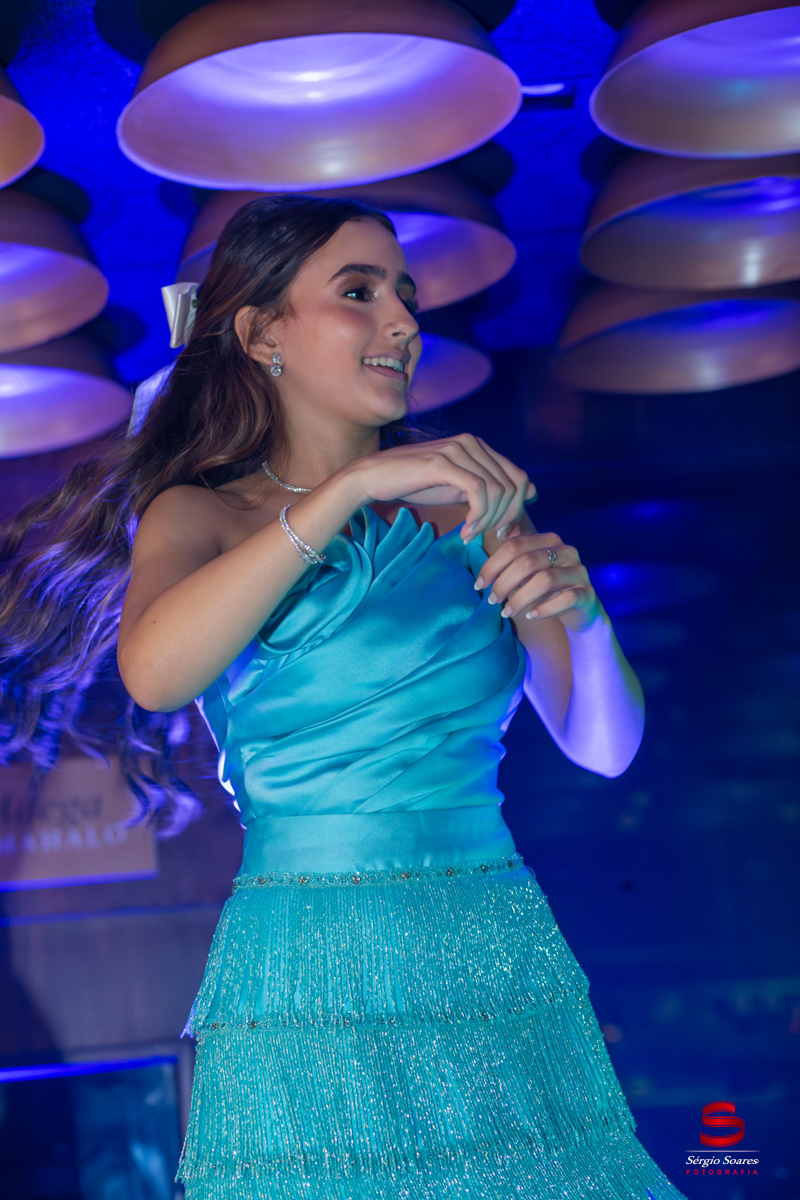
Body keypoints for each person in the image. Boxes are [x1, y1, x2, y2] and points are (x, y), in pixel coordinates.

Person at [0, 195, 687, 1199]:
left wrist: (583, 616)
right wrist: (349, 490)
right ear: (261, 333)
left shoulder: (469, 506)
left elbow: (604, 749)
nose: (402, 321)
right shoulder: (200, 514)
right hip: (310, 956)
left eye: (405, 296)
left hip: (489, 938)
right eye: (358, 293)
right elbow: (156, 672)